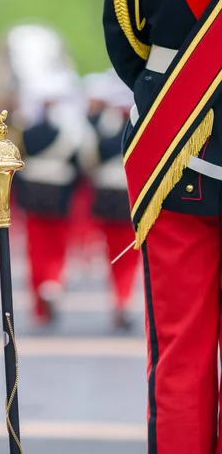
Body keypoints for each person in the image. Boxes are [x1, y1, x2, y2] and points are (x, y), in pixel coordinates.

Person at [104, 0, 222, 453]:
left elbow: (127, 44)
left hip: (178, 150)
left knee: (178, 355)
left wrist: (185, 98)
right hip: (179, 152)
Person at [15, 77, 97, 325]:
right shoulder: (70, 134)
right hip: (59, 194)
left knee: (35, 248)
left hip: (32, 194)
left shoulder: (26, 132)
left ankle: (39, 304)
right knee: (57, 246)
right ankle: (53, 282)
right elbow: (81, 169)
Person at [87, 71, 138, 330]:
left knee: (116, 252)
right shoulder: (141, 122)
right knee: (127, 253)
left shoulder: (99, 126)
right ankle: (123, 299)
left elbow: (89, 160)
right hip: (130, 192)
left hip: (108, 193)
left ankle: (121, 299)